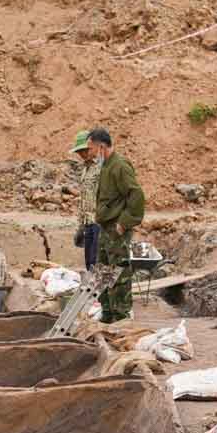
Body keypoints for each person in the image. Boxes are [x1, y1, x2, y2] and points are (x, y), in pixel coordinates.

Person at [88, 127, 145, 323]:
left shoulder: (120, 166)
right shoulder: (106, 166)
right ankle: (108, 313)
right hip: (106, 228)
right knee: (103, 272)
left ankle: (121, 317)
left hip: (116, 229)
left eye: (92, 149)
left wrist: (125, 222)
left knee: (118, 273)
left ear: (101, 146)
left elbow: (136, 195)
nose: (91, 153)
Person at [70, 129, 102, 270]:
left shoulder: (102, 167)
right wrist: (80, 227)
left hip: (99, 222)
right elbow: (84, 200)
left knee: (97, 263)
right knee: (89, 264)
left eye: (84, 151)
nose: (82, 155)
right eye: (79, 152)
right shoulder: (85, 169)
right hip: (87, 223)